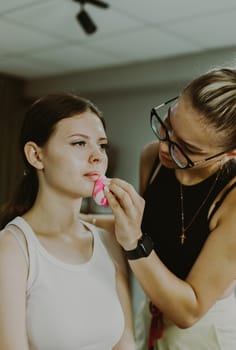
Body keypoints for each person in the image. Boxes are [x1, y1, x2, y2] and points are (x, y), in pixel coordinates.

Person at [104, 67, 236, 349]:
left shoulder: (232, 199)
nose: (164, 146)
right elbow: (136, 226)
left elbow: (189, 311)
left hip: (205, 333)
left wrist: (133, 242)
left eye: (186, 148)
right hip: (153, 315)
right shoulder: (152, 158)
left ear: (229, 154)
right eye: (168, 125)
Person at [0, 93, 135, 350]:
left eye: (102, 145)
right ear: (36, 156)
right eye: (79, 143)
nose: (97, 156)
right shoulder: (12, 248)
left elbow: (126, 342)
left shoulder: (110, 242)